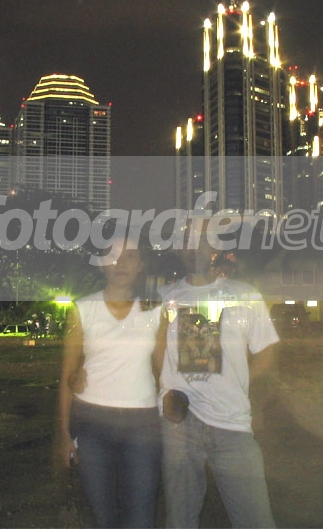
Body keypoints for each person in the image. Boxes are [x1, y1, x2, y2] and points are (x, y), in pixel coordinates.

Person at [155, 221, 279, 528]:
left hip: (231, 423)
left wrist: (238, 386)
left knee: (255, 519)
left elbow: (266, 353)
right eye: (186, 241)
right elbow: (156, 347)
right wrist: (165, 387)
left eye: (202, 240)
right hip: (180, 425)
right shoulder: (165, 296)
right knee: (180, 519)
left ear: (216, 248)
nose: (193, 247)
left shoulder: (245, 295)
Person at [59, 234, 162, 528]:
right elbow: (67, 375)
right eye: (113, 256)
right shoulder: (83, 308)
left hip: (142, 424)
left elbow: (165, 370)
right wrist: (64, 434)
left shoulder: (156, 310)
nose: (121, 263)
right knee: (103, 518)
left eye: (130, 256)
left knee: (141, 518)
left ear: (141, 264)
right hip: (92, 422)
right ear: (102, 264)